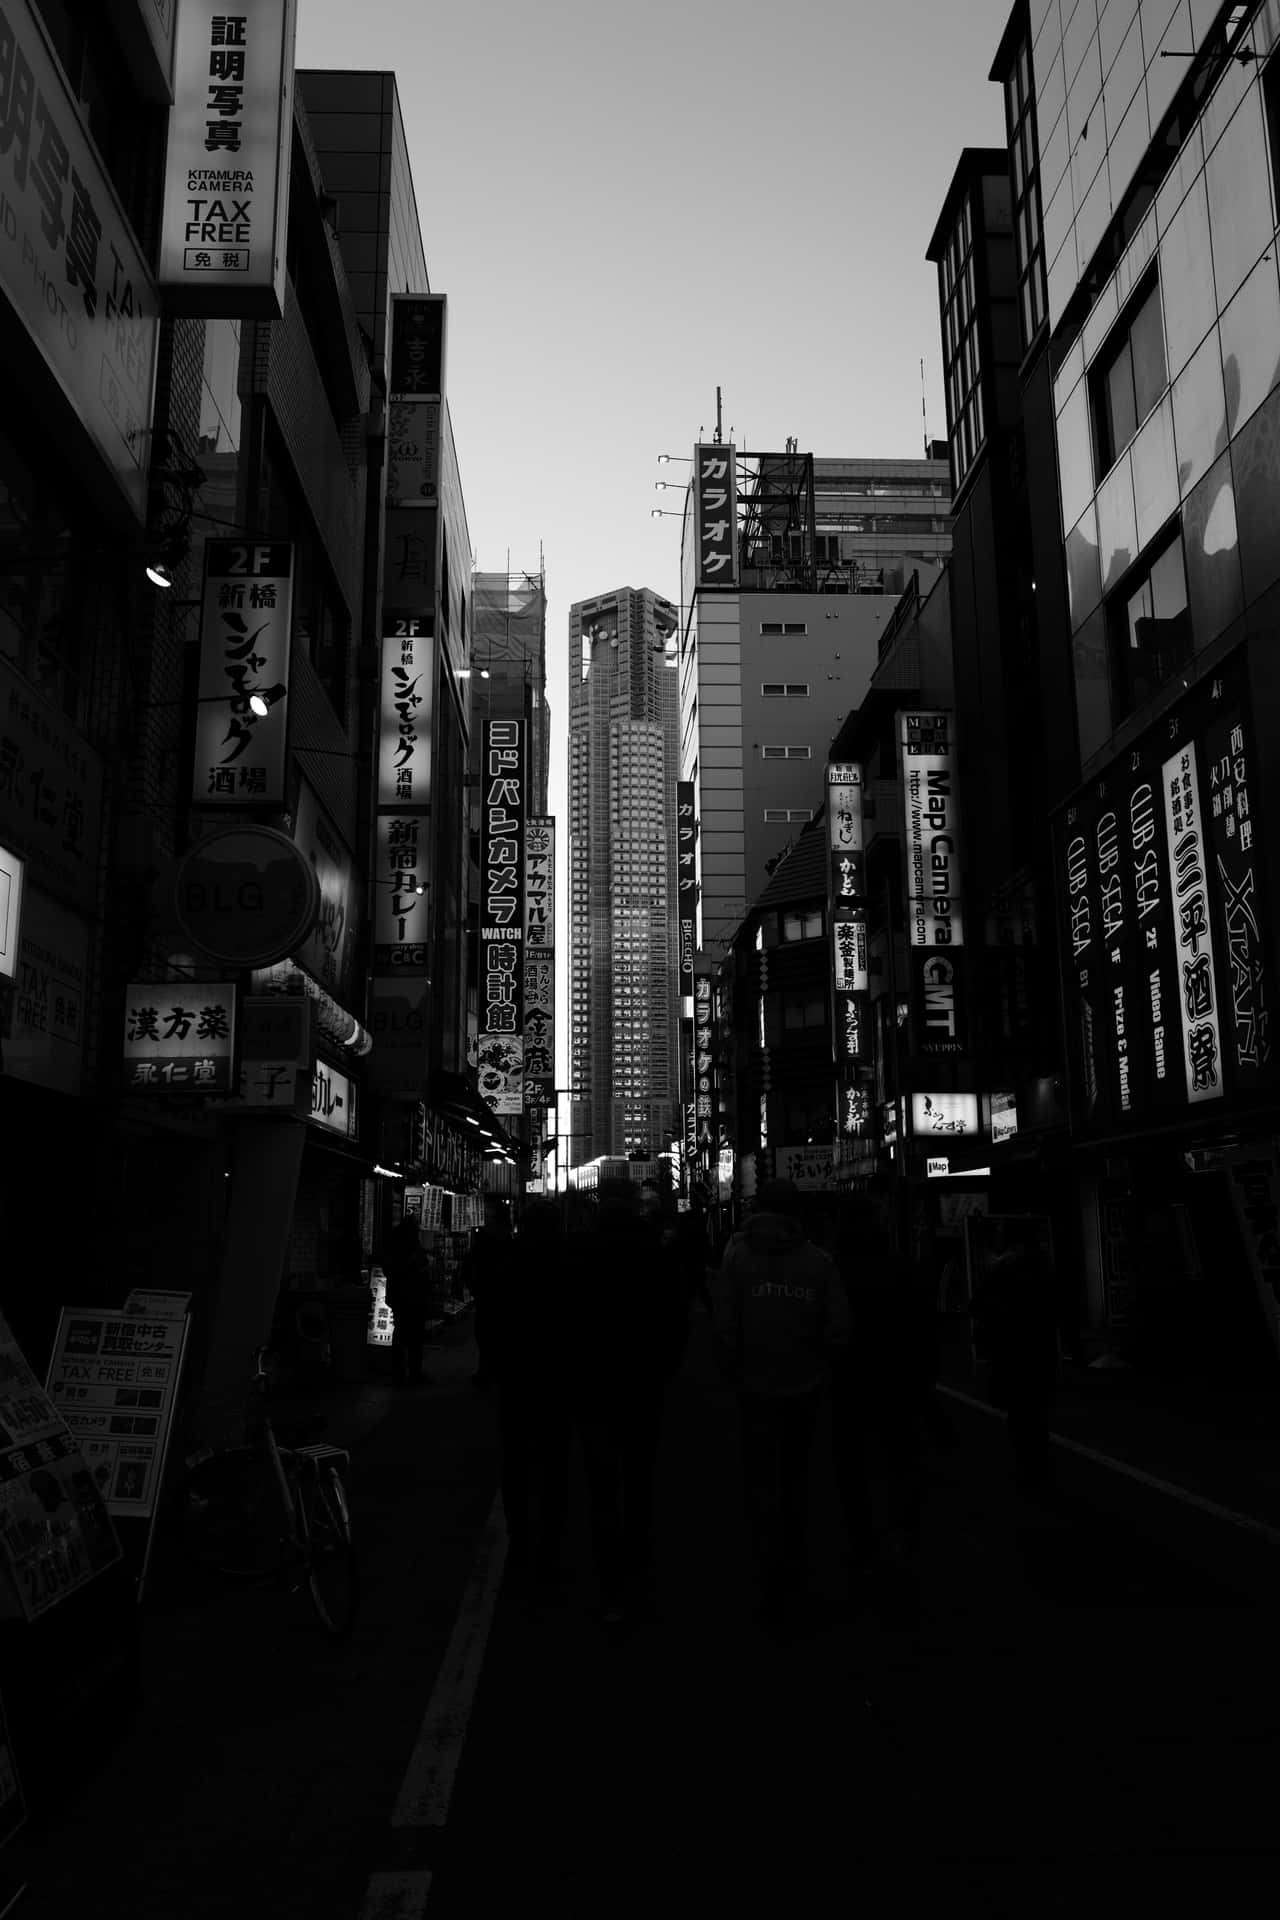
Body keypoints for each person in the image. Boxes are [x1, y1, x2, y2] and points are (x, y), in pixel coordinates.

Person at [714, 1177, 849, 1628]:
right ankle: (794, 1557)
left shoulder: (737, 1256)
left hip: (753, 1384)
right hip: (804, 1386)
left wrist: (731, 1368)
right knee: (795, 1476)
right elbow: (838, 1330)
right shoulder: (819, 1261)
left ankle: (764, 1562)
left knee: (758, 1476)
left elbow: (726, 1323)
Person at [568, 1178, 688, 1626]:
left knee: (602, 1485)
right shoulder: (655, 1252)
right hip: (643, 1382)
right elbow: (676, 1319)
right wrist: (665, 1369)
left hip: (594, 1384)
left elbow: (565, 1320)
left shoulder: (578, 1252)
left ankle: (609, 1577)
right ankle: (638, 1562)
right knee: (639, 1477)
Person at [829, 1206, 935, 1614]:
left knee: (851, 1464)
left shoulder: (834, 1270)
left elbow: (829, 1328)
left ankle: (863, 1540)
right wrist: (926, 1377)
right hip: (898, 1379)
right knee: (900, 1459)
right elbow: (923, 1327)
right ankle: (904, 1535)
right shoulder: (902, 1269)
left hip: (849, 1380)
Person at [483, 1199, 574, 1605]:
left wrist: (496, 1367)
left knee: (517, 1462)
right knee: (555, 1463)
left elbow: (493, 1322)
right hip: (557, 1380)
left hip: (517, 1380)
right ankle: (552, 1541)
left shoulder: (509, 1264)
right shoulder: (570, 1265)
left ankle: (521, 1538)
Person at [970, 1234, 1059, 1499]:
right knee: (1035, 1412)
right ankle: (1038, 1465)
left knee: (1020, 1414)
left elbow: (977, 1306)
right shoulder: (1044, 1276)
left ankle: (1028, 1466)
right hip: (1037, 1353)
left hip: (1012, 1353)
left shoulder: (1003, 1273)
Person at [461, 1196, 513, 1390]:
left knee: (487, 1335)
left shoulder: (486, 1241)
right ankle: (490, 1371)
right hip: (495, 1296)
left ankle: (487, 1371)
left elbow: (469, 1266)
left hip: (489, 1296)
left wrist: (475, 1288)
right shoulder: (506, 1242)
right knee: (492, 1335)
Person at [382, 1214, 432, 1388]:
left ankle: (399, 1374)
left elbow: (388, 1268)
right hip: (412, 1297)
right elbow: (420, 1265)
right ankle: (413, 1373)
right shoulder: (410, 1246)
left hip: (399, 1297)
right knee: (414, 1338)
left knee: (401, 1337)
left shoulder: (394, 1244)